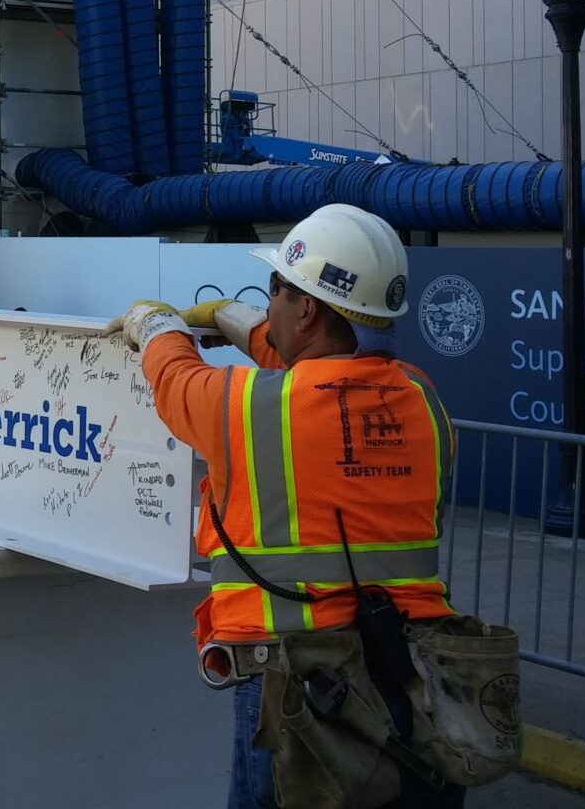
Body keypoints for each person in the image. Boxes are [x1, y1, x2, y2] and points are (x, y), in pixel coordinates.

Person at [109, 204, 459, 809]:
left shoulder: (251, 409)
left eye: (276, 290)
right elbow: (319, 378)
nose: (268, 305)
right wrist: (239, 321)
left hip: (299, 685)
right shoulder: (421, 398)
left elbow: (174, 377)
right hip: (416, 676)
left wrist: (157, 323)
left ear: (306, 309)